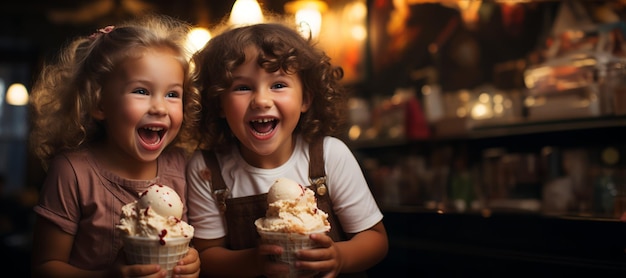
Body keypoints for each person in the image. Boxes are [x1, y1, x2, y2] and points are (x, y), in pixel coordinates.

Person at [186, 21, 388, 277]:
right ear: (218, 104)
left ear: (305, 98)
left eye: (278, 85)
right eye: (243, 87)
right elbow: (207, 255)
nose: (261, 100)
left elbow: (375, 239)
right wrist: (254, 262)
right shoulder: (207, 168)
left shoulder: (329, 156)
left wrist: (340, 258)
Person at [29, 13, 201, 277]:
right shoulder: (73, 172)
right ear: (99, 103)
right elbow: (44, 267)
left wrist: (192, 261)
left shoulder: (182, 166)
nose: (159, 107)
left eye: (172, 94)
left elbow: (194, 246)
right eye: (141, 91)